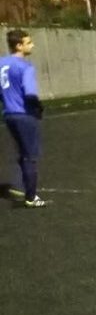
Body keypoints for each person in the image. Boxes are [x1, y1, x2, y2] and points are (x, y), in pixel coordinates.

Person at [0, 29, 48, 207]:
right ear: (19, 46)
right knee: (30, 156)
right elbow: (30, 94)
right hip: (24, 115)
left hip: (9, 115)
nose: (32, 45)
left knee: (23, 152)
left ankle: (25, 187)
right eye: (29, 42)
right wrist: (39, 108)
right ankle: (31, 197)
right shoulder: (25, 67)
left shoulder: (1, 63)